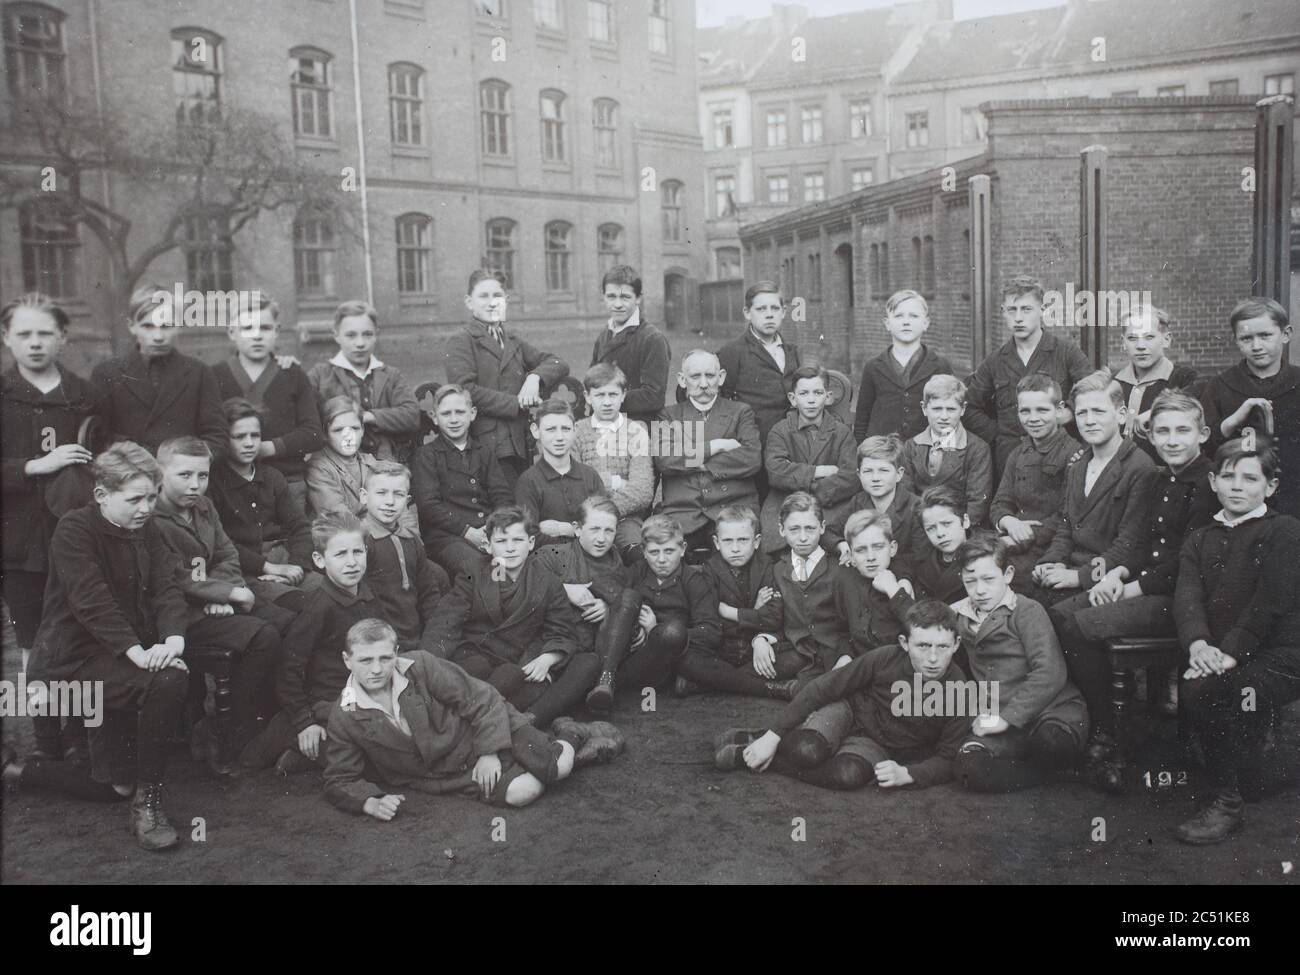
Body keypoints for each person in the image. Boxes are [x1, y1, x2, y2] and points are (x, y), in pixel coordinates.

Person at [22, 442, 191, 850]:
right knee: (163, 682)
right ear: (102, 496)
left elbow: (167, 588)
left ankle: (136, 795)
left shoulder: (147, 528)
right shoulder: (75, 529)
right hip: (70, 662)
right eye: (135, 499)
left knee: (114, 785)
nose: (147, 507)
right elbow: (91, 602)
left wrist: (173, 641)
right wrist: (141, 656)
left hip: (118, 659)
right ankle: (145, 805)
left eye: (152, 496)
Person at [1050, 390, 1218, 768]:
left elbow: (1185, 565)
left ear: (1203, 434)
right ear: (1152, 436)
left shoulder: (1207, 486)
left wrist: (1130, 587)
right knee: (1060, 615)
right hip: (1145, 584)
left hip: (1181, 601)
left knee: (1079, 626)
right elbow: (1142, 542)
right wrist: (1118, 573)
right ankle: (1098, 715)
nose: (1172, 441)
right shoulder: (1162, 478)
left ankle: (1109, 730)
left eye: (1182, 431)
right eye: (1163, 432)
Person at [322, 620, 612, 817]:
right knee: (524, 792)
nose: (376, 669)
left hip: (481, 734)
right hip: (445, 775)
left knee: (557, 769)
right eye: (365, 660)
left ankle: (571, 733)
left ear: (396, 654)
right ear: (347, 660)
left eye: (385, 658)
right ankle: (554, 749)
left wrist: (490, 752)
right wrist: (369, 803)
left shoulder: (420, 665)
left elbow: (482, 698)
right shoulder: (344, 714)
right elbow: (339, 777)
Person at [1171, 438, 1300, 843]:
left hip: (1279, 653)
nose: (1237, 486)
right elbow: (1187, 597)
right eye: (1228, 477)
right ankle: (1230, 791)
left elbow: (1272, 600)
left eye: (1250, 478)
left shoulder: (1284, 531)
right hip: (1219, 652)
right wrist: (1198, 645)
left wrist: (1228, 652)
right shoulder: (1199, 539)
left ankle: (1230, 797)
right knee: (1198, 686)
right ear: (1213, 481)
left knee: (1234, 691)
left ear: (1271, 486)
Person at [717, 600, 970, 792]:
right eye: (923, 646)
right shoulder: (885, 657)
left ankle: (749, 750)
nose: (933, 658)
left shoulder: (959, 689)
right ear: (905, 643)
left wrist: (909, 774)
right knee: (807, 750)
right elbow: (824, 687)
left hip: (881, 745)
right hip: (849, 713)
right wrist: (774, 733)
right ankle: (763, 737)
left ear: (956, 644)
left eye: (943, 647)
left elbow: (949, 757)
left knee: (847, 776)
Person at [1, 293, 94, 762]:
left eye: (44, 334)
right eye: (24, 334)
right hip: (18, 544)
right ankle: (46, 737)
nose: (34, 343)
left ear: (62, 337)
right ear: (6, 338)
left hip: (75, 540)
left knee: (75, 631)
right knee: (32, 639)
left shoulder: (83, 394)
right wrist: (35, 467)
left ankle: (78, 735)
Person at [151, 437, 279, 770]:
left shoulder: (204, 507)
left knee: (287, 620)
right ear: (159, 473)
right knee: (263, 636)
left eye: (203, 476)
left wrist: (224, 592)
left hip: (215, 602)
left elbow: (227, 553)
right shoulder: (151, 517)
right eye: (184, 475)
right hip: (180, 616)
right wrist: (227, 594)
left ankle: (264, 715)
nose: (195, 485)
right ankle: (227, 728)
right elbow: (173, 576)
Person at [424, 506, 606, 730]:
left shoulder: (547, 581)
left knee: (518, 678)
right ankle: (481, 720)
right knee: (477, 669)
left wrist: (548, 658)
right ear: (488, 545)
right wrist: (428, 666)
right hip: (475, 653)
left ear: (530, 543)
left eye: (518, 540)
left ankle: (507, 721)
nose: (510, 549)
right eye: (501, 541)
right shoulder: (473, 572)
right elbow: (447, 620)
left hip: (516, 662)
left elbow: (562, 631)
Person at [244, 509, 382, 775]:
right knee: (371, 755)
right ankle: (297, 740)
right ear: (319, 560)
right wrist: (304, 721)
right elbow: (288, 669)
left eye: (358, 552)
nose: (352, 562)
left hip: (361, 691)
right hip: (327, 700)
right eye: (340, 554)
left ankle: (311, 753)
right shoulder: (319, 607)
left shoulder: (369, 593)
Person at [951, 534, 1089, 793]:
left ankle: (1041, 766)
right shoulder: (958, 615)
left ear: (1008, 574)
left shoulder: (1026, 610)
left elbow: (1050, 671)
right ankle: (1055, 774)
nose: (980, 590)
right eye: (971, 581)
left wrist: (1008, 717)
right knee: (969, 771)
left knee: (1051, 743)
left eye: (989, 579)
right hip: (997, 717)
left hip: (1049, 711)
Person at [1031, 369, 1157, 606]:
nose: (1089, 421)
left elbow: (1128, 546)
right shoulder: (1078, 465)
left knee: (1056, 616)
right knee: (1026, 605)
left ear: (1121, 415)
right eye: (1082, 413)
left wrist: (1079, 577)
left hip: (1107, 578)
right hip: (1072, 568)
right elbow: (1066, 528)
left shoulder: (1139, 468)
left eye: (1099, 411)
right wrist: (1052, 561)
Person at [443, 268, 570, 480]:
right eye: (483, 296)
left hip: (519, 442)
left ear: (506, 300)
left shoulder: (512, 340)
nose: (492, 303)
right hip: (484, 443)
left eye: (498, 296)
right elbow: (465, 391)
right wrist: (516, 403)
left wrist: (534, 377)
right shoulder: (461, 341)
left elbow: (557, 362)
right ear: (469, 301)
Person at [964, 276, 1093, 472]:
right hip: (1009, 462)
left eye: (1026, 309)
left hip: (1057, 458)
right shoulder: (995, 361)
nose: (1018, 318)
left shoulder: (1066, 352)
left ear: (1042, 311)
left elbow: (1094, 390)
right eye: (1012, 310)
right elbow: (969, 407)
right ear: (1003, 313)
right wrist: (999, 435)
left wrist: (1070, 412)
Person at [533, 495, 643, 715]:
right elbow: (526, 586)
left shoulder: (622, 568)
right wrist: (563, 589)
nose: (601, 538)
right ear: (577, 528)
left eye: (609, 531)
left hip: (605, 654)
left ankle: (605, 681)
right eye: (594, 529)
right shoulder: (554, 555)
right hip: (566, 652)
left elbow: (629, 609)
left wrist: (611, 608)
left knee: (629, 598)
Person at [213, 292, 323, 508]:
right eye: (247, 328)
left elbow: (313, 433)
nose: (257, 336)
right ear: (232, 332)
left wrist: (270, 447)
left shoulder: (292, 374)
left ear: (277, 331)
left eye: (265, 328)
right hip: (229, 483)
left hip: (287, 481)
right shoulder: (215, 376)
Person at [90, 284, 226, 456]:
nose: (158, 337)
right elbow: (99, 436)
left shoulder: (199, 373)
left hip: (184, 477)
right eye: (148, 326)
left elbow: (217, 437)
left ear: (179, 326)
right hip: (129, 475)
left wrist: (189, 467)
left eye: (166, 326)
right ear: (131, 326)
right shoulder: (107, 373)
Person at [208, 397, 317, 610]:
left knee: (334, 594)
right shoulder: (213, 483)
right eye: (239, 437)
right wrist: (269, 568)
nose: (249, 443)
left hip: (285, 567)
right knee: (303, 606)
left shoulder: (272, 477)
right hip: (245, 574)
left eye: (255, 436)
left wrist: (295, 566)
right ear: (224, 439)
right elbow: (220, 543)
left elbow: (300, 527)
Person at [676, 505, 793, 698]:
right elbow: (711, 620)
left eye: (743, 540)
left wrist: (733, 614)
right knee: (686, 660)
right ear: (717, 542)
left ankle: (713, 683)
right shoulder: (710, 570)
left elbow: (774, 617)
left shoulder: (767, 566)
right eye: (728, 541)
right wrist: (754, 610)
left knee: (796, 656)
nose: (736, 548)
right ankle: (768, 689)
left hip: (755, 649)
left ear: (756, 542)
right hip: (722, 650)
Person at [1199, 297, 1300, 518]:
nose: (1256, 346)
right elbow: (1203, 446)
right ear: (1236, 340)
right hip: (1238, 503)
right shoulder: (1220, 386)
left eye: (1265, 335)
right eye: (1246, 338)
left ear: (1285, 334)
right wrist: (1229, 424)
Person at [654, 349, 762, 553]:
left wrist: (694, 462)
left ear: (721, 378)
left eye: (710, 376)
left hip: (732, 510)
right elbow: (665, 460)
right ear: (682, 380)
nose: (703, 384)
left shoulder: (741, 412)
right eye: (695, 376)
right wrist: (717, 446)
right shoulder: (666, 415)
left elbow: (752, 458)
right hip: (683, 513)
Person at [989, 372, 1082, 591]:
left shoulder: (1073, 454)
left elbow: (1066, 516)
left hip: (1049, 547)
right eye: (1025, 411)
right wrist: (1008, 521)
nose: (1033, 418)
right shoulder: (1017, 454)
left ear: (1059, 410)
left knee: (1006, 579)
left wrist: (1024, 537)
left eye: (1042, 410)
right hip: (1012, 537)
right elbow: (999, 503)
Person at [411, 383, 512, 580]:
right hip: (448, 537)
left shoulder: (484, 451)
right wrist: (467, 531)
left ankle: (504, 607)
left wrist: (494, 528)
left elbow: (502, 494)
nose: (454, 419)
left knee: (508, 563)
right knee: (477, 568)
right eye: (446, 414)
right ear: (434, 417)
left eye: (460, 412)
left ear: (472, 413)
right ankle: (480, 609)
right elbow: (428, 505)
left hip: (488, 531)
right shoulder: (427, 455)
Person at [306, 299, 421, 463]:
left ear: (376, 334)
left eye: (367, 334)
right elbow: (308, 419)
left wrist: (367, 416)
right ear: (336, 336)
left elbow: (411, 415)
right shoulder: (321, 375)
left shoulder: (390, 375)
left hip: (385, 463)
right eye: (351, 335)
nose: (360, 343)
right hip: (337, 464)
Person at [760, 365, 858, 554]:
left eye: (817, 393)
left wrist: (810, 490)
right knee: (777, 545)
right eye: (804, 393)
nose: (811, 400)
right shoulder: (780, 430)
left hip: (830, 504)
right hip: (784, 502)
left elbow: (851, 476)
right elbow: (775, 471)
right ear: (793, 398)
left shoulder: (842, 433)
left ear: (828, 397)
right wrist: (818, 472)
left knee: (833, 542)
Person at [358, 460, 451, 653]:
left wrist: (432, 642)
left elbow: (428, 593)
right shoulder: (361, 543)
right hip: (382, 645)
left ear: (408, 500)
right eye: (381, 493)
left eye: (398, 494)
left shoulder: (411, 539)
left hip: (418, 641)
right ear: (364, 497)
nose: (390, 502)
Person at [625, 514, 721, 695]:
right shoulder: (637, 572)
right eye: (654, 552)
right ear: (644, 551)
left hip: (673, 652)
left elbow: (711, 631)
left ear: (683, 548)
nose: (661, 560)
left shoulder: (693, 579)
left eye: (669, 551)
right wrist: (635, 627)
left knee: (673, 632)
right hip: (639, 656)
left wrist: (656, 632)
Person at [573, 363, 653, 562]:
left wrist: (604, 505)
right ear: (587, 397)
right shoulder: (576, 431)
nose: (607, 402)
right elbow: (575, 485)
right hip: (585, 519)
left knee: (638, 556)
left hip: (627, 518)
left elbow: (642, 490)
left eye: (613, 395)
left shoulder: (637, 431)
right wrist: (616, 482)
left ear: (623, 395)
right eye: (600, 395)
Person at [307, 394, 419, 536]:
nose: (348, 436)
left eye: (354, 428)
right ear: (325, 433)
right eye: (338, 430)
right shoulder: (319, 468)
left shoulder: (370, 462)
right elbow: (342, 520)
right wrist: (388, 532)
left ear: (363, 430)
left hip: (382, 538)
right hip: (349, 543)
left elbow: (403, 513)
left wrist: (412, 539)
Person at [853, 289, 954, 443]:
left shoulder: (940, 365)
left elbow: (950, 414)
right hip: (882, 454)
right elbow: (862, 417)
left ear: (925, 323)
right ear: (887, 323)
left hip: (925, 451)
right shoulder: (873, 366)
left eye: (913, 316)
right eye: (899, 316)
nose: (906, 322)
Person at [899, 374, 992, 527]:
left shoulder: (977, 448)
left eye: (951, 409)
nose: (944, 417)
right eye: (937, 409)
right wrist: (924, 526)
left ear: (962, 409)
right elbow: (906, 494)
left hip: (961, 527)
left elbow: (977, 500)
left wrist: (959, 527)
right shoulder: (911, 446)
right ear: (924, 408)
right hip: (921, 525)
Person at [717, 280, 801, 446]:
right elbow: (721, 399)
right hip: (755, 444)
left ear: (784, 312)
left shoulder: (792, 351)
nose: (769, 315)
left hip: (791, 442)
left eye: (775, 308)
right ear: (747, 313)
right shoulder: (733, 351)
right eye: (761, 309)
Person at [823, 435, 923, 572]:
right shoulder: (858, 502)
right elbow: (827, 532)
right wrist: (840, 544)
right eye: (868, 471)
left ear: (899, 474)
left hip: (903, 577)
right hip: (863, 574)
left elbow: (918, 554)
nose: (875, 478)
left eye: (883, 471)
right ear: (859, 475)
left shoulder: (915, 506)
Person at [515, 398, 606, 548]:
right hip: (549, 562)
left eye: (565, 429)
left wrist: (568, 530)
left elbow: (603, 526)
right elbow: (530, 536)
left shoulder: (590, 476)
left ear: (575, 430)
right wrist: (584, 534)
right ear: (536, 431)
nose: (559, 437)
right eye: (551, 430)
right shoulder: (529, 481)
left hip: (590, 560)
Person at [1113, 305, 1197, 463]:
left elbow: (1191, 406)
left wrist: (1157, 411)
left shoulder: (1183, 378)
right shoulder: (1114, 382)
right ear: (1123, 343)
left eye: (1149, 337)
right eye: (1132, 338)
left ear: (1166, 339)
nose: (1140, 346)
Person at [589, 264, 671, 427]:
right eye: (611, 296)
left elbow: (653, 396)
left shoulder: (652, 338)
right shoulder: (604, 335)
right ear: (603, 297)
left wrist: (606, 400)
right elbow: (592, 381)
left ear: (638, 298)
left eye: (625, 297)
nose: (618, 304)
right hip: (606, 426)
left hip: (638, 428)